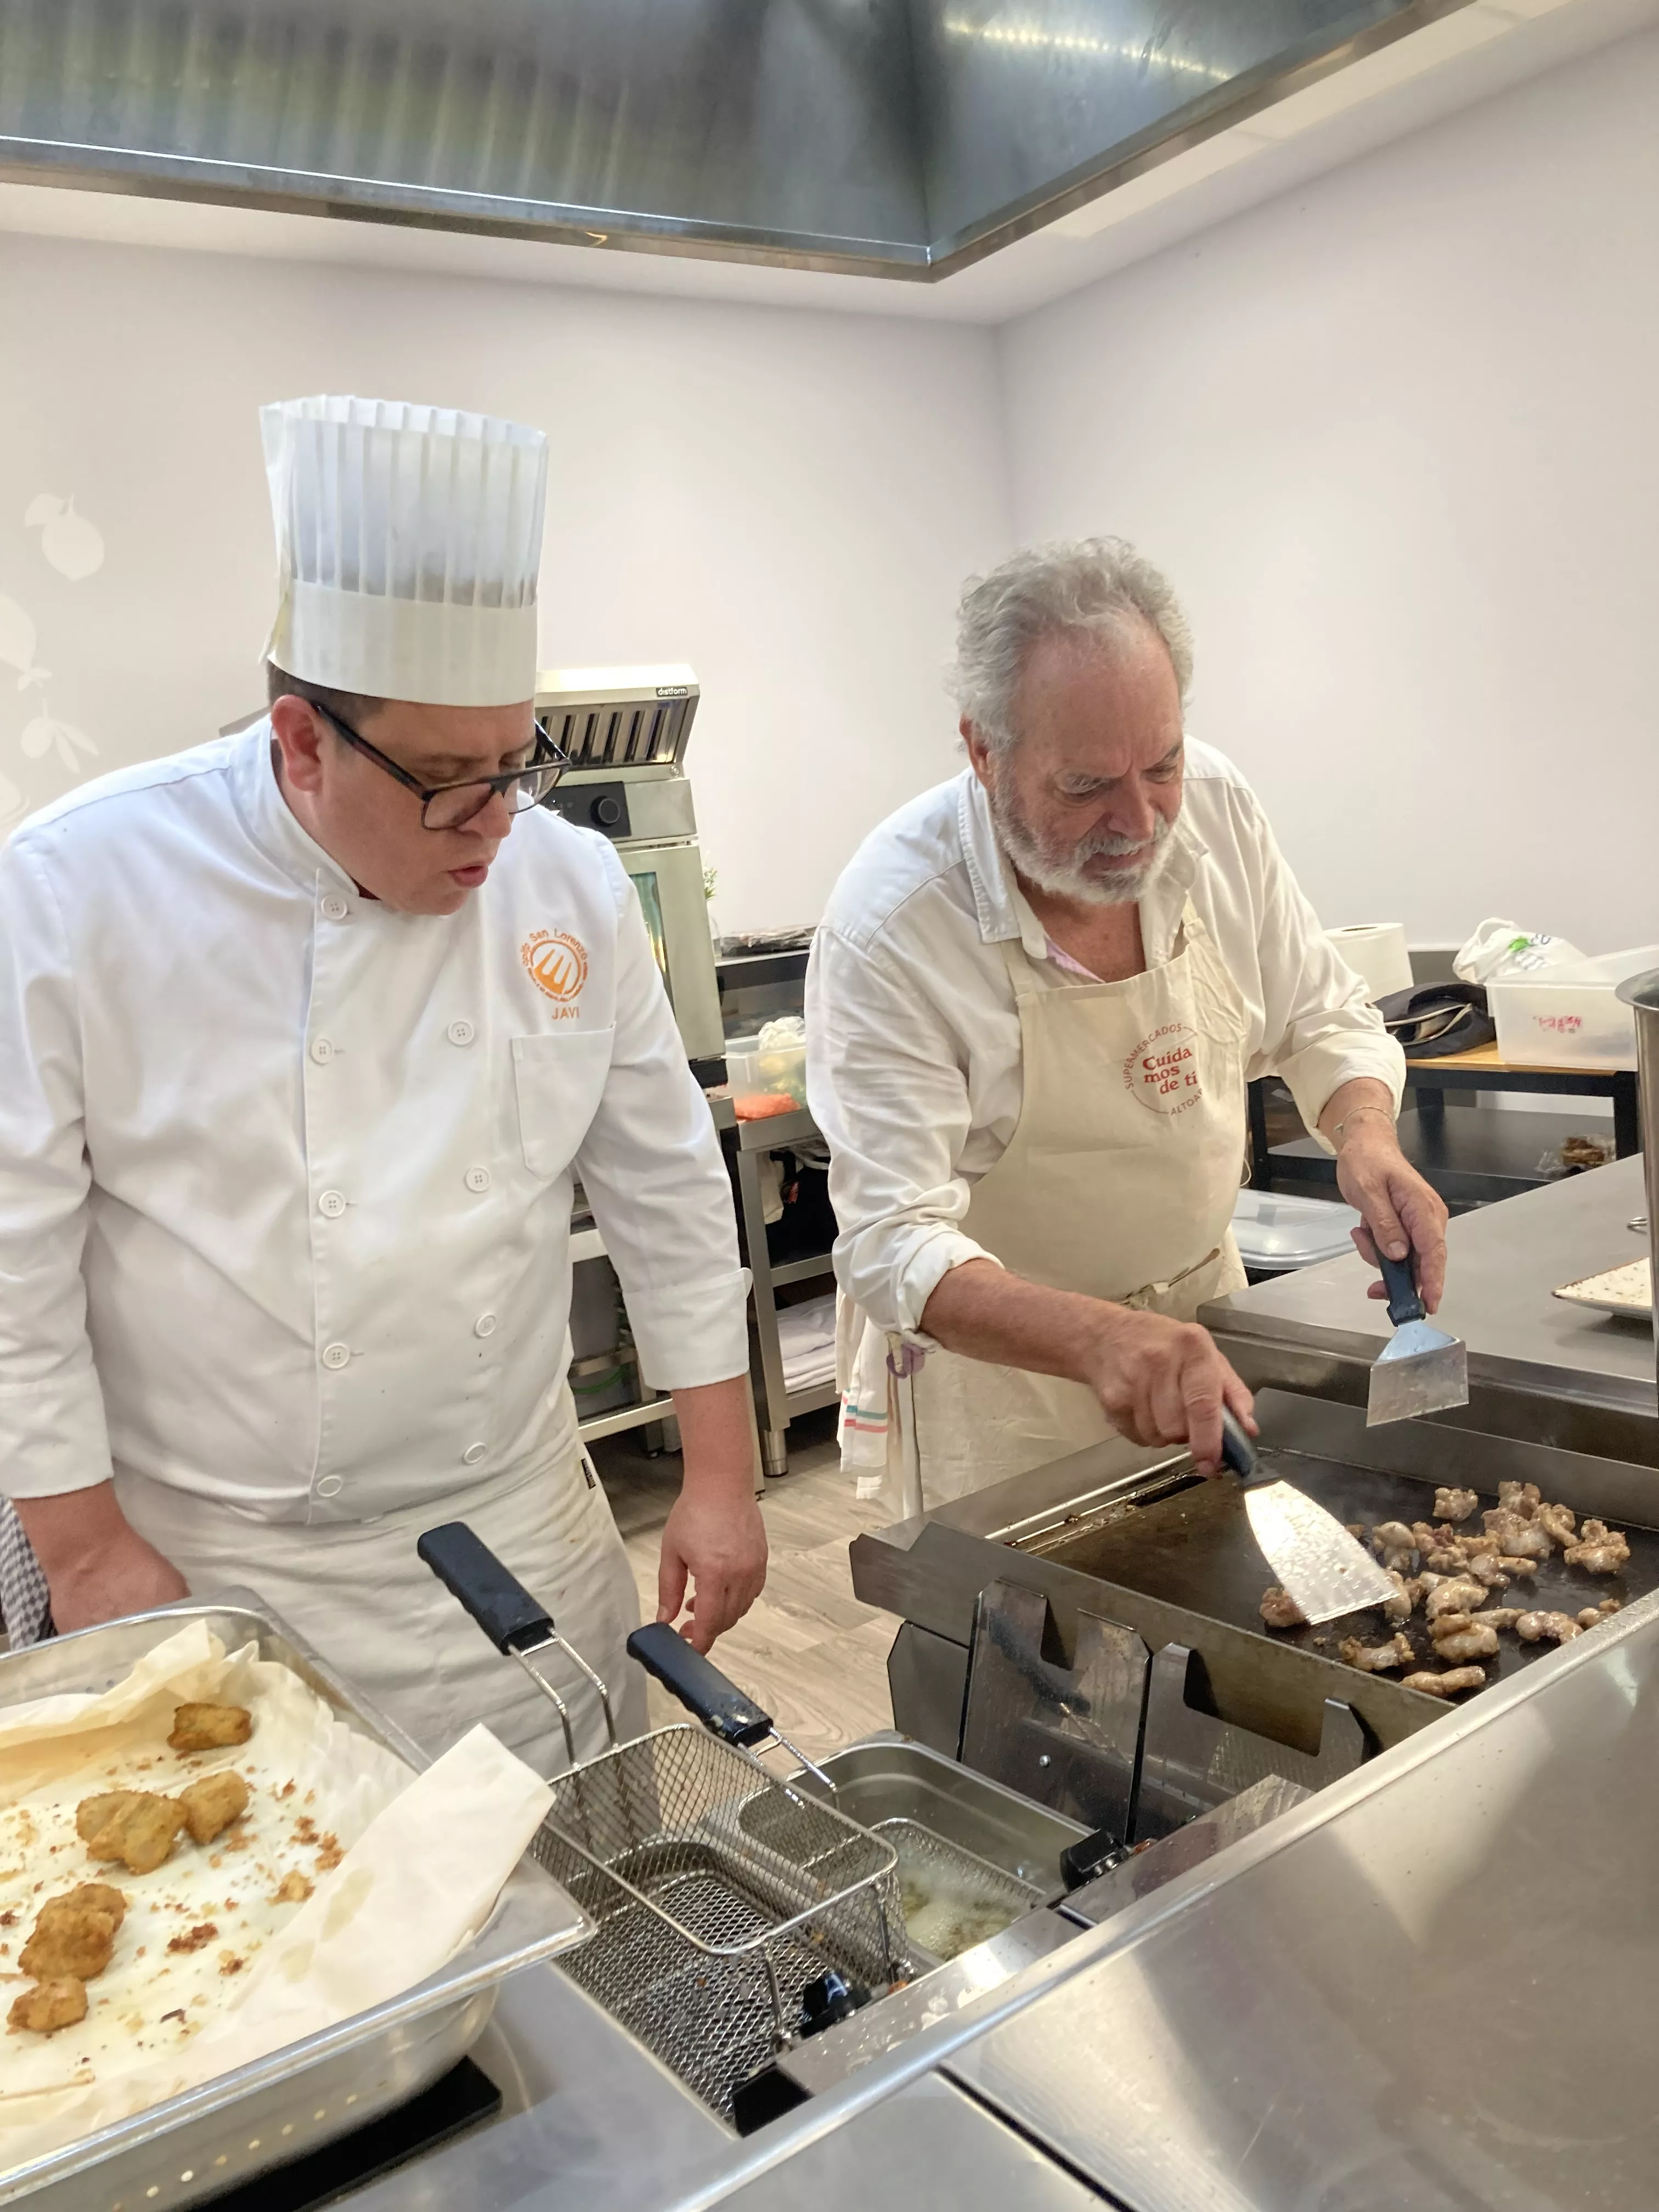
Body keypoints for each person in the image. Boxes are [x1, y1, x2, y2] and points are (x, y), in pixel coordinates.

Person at [0, 394, 766, 1767]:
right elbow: (16, 1257)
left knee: (584, 1920)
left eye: (513, 767)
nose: (493, 824)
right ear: (301, 743)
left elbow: (663, 1184)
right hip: (226, 1562)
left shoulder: (568, 887)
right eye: (443, 783)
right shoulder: (75, 888)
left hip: (523, 1530)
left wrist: (720, 1473)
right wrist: (86, 1546)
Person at [808, 537, 1447, 1511]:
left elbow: (1322, 1014)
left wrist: (1363, 1137)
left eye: (1162, 765)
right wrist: (1099, 1339)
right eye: (1085, 787)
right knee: (1037, 1655)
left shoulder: (1220, 812)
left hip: (1207, 1331)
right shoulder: (894, 925)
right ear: (983, 749)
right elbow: (890, 1240)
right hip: (1009, 1390)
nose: (1140, 821)